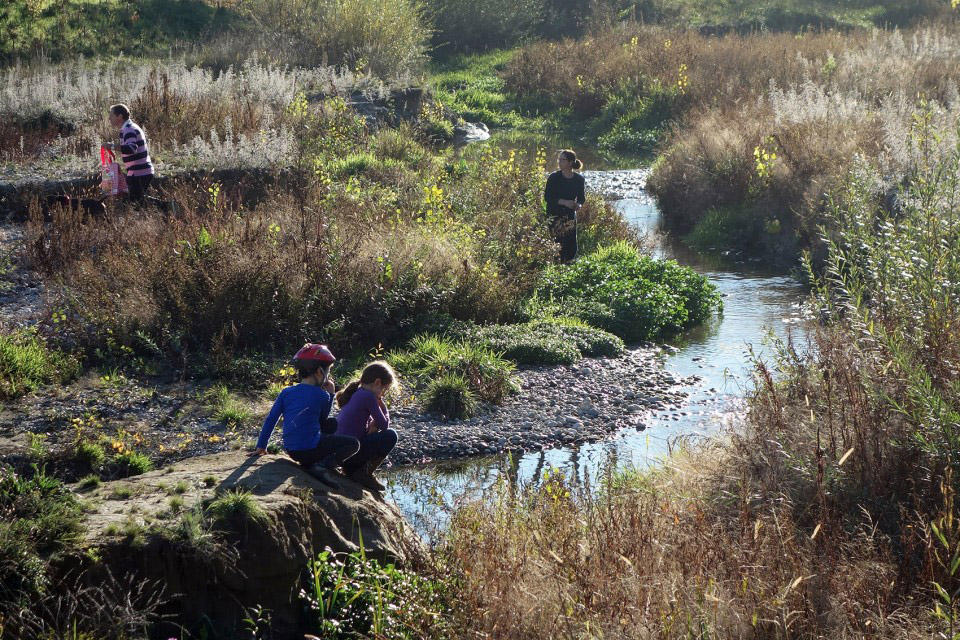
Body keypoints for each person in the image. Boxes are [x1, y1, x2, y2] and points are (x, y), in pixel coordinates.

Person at [255, 343, 360, 489]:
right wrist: (330, 394)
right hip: (310, 450)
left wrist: (261, 446)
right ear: (319, 371)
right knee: (353, 443)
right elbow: (323, 419)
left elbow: (271, 419)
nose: (328, 375)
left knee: (331, 425)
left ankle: (312, 463)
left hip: (292, 451)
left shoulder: (286, 392)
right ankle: (322, 466)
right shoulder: (322, 395)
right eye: (328, 371)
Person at [334, 361, 399, 492]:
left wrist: (373, 426)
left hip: (339, 453)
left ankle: (353, 469)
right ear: (378, 382)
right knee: (391, 435)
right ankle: (363, 473)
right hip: (349, 454)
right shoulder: (368, 396)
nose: (382, 395)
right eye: (384, 390)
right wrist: (383, 407)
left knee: (374, 431)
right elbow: (384, 425)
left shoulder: (357, 392)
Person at [102, 104, 163, 208]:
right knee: (137, 200)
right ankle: (167, 207)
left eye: (111, 115)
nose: (109, 118)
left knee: (135, 202)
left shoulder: (129, 129)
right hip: (138, 172)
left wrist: (111, 146)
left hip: (140, 172)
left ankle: (167, 207)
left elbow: (131, 149)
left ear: (119, 117)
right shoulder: (127, 129)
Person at [543, 149, 586, 262]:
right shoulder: (554, 177)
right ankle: (556, 266)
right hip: (554, 214)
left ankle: (569, 266)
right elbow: (548, 197)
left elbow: (581, 198)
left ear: (570, 162)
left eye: (562, 160)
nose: (559, 162)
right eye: (559, 159)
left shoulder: (579, 179)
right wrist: (564, 202)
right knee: (557, 242)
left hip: (570, 215)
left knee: (571, 245)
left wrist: (578, 205)